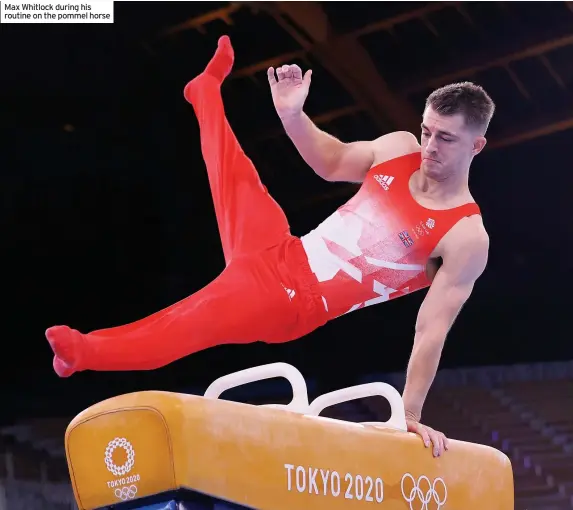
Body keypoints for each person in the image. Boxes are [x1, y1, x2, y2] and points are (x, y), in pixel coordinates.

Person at [45, 36, 493, 458]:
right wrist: (293, 117)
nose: (430, 146)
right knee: (233, 175)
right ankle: (204, 92)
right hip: (281, 250)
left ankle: (84, 351)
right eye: (427, 130)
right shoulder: (398, 148)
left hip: (289, 302)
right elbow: (332, 161)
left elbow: (430, 330)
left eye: (446, 138)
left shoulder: (464, 236)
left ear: (477, 145)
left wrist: (409, 415)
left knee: (187, 323)